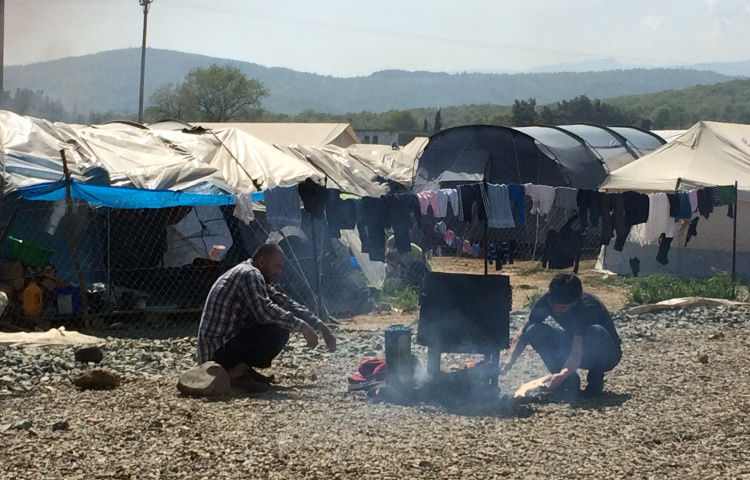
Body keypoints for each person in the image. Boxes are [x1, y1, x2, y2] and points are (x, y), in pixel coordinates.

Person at [197, 243, 336, 391]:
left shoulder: (253, 274)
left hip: (221, 350)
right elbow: (265, 312)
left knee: (279, 318)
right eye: (277, 266)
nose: (279, 272)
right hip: (215, 358)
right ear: (262, 262)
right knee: (277, 329)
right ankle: (235, 374)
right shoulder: (250, 274)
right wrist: (302, 327)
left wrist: (320, 326)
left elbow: (286, 302)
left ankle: (240, 370)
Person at [499, 273, 621, 397]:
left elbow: (576, 352)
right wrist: (509, 360)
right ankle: (567, 382)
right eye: (554, 305)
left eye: (563, 307)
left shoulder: (587, 307)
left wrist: (563, 373)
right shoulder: (546, 301)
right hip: (574, 343)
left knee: (595, 331)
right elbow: (522, 333)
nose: (557, 311)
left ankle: (595, 384)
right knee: (533, 330)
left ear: (574, 302)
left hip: (607, 354)